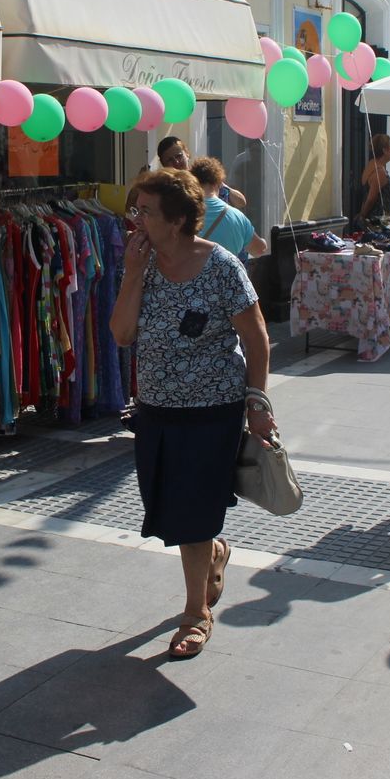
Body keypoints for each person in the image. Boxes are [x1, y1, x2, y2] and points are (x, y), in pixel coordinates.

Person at [109, 168, 274, 660]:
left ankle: (195, 613)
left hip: (213, 410)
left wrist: (257, 403)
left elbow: (257, 338)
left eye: (145, 211)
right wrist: (134, 274)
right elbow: (121, 334)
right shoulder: (141, 264)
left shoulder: (221, 266)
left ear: (178, 219)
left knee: (193, 511)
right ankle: (215, 553)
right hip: (156, 408)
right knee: (170, 504)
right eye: (134, 209)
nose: (135, 220)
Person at [188, 157, 266, 262]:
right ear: (219, 183)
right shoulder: (237, 217)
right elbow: (259, 250)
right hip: (225, 277)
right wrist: (264, 242)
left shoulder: (182, 212)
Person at [156, 136, 246, 209]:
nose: (176, 162)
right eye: (170, 160)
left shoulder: (203, 176)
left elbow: (241, 202)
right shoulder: (163, 189)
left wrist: (220, 185)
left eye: (179, 156)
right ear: (164, 164)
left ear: (187, 153)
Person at [357, 133, 390, 222]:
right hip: (382, 221)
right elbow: (371, 198)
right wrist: (362, 216)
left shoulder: (371, 165)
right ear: (384, 150)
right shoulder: (380, 172)